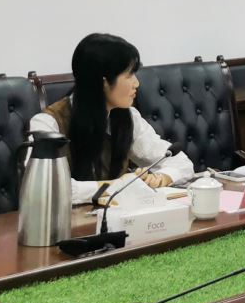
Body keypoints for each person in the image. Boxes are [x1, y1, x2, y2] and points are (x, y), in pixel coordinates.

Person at [30, 33, 197, 206]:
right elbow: (45, 189)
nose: (137, 83)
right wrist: (118, 186)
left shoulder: (128, 116)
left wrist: (161, 177)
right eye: (129, 75)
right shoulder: (47, 124)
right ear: (103, 82)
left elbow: (181, 162)